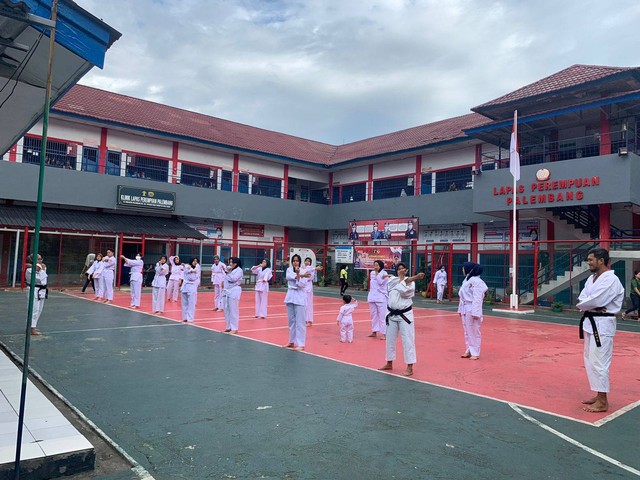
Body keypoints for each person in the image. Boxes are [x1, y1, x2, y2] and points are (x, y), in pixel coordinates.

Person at [576, 248, 624, 413]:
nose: (588, 262)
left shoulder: (611, 279)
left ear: (601, 260)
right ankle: (598, 394)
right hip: (591, 322)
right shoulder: (591, 278)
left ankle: (603, 401)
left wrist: (590, 304)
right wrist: (588, 305)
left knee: (600, 362)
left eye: (591, 259)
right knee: (590, 360)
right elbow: (583, 298)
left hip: (603, 325)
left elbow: (598, 299)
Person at [379, 263, 424, 376]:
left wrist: (414, 279)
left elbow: (404, 292)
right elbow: (399, 283)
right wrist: (416, 276)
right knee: (389, 340)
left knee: (408, 341)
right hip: (391, 314)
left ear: (406, 270)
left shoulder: (412, 284)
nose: (401, 270)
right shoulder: (392, 280)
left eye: (402, 269)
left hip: (405, 316)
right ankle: (389, 362)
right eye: (398, 269)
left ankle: (410, 367)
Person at [457, 262, 488, 360]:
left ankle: (475, 352)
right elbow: (462, 297)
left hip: (472, 307)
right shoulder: (466, 280)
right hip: (465, 307)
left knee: (474, 331)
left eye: (464, 268)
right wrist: (460, 309)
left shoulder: (477, 281)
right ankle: (469, 349)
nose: (462, 270)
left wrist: (476, 312)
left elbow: (477, 298)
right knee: (467, 330)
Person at [283, 254, 307, 351]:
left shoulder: (304, 271)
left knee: (300, 322)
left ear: (300, 262)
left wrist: (299, 274)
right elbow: (288, 277)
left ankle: (301, 344)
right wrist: (299, 275)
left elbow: (302, 284)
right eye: (293, 261)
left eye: (297, 261)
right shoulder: (289, 270)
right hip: (290, 296)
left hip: (299, 297)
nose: (295, 262)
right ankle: (291, 341)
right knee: (291, 321)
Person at [25, 254, 47, 336]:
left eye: (41, 259)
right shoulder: (29, 270)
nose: (41, 261)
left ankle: (32, 326)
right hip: (33, 290)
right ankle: (31, 328)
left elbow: (44, 279)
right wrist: (41, 269)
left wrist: (41, 269)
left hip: (42, 290)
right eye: (39, 259)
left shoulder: (41, 267)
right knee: (34, 309)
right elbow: (40, 278)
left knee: (39, 310)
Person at [367, 260, 388, 340]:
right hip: (372, 296)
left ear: (381, 266)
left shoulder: (385, 274)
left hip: (381, 296)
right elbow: (373, 282)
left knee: (382, 316)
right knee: (373, 315)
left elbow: (380, 282)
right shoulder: (372, 273)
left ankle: (384, 333)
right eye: (374, 265)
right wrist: (375, 272)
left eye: (377, 265)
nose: (375, 266)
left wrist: (377, 272)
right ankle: (374, 331)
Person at [222, 257, 243, 333]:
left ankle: (234, 328)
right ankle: (228, 327)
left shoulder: (239, 270)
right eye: (229, 262)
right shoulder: (230, 270)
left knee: (233, 310)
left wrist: (227, 272)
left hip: (234, 290)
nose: (230, 264)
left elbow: (233, 279)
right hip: (226, 291)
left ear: (235, 263)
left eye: (231, 262)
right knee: (226, 309)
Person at [302, 257, 323, 326]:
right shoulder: (303, 267)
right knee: (303, 304)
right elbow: (303, 272)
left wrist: (315, 268)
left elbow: (310, 276)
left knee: (309, 304)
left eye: (308, 261)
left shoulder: (311, 268)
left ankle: (310, 320)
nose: (307, 262)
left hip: (309, 286)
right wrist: (315, 268)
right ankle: (304, 320)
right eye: (306, 261)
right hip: (303, 286)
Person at [181, 257, 200, 323]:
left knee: (191, 304)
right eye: (194, 261)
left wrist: (191, 270)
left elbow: (193, 277)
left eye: (196, 261)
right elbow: (185, 270)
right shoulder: (187, 266)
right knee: (184, 303)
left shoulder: (197, 268)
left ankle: (190, 318)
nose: (195, 262)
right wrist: (190, 270)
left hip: (192, 287)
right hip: (185, 287)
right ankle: (185, 317)